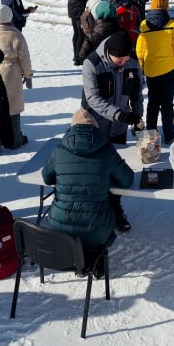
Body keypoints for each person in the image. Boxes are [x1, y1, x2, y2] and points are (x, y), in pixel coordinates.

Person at [41, 108, 135, 265]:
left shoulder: (59, 150)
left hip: (59, 229)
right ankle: (95, 258)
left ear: (72, 129)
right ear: (95, 129)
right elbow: (127, 180)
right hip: (97, 229)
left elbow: (46, 178)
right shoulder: (106, 150)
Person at [81, 29, 143, 232]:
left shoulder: (131, 62)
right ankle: (94, 210)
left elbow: (137, 93)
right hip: (94, 125)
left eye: (126, 58)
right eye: (119, 59)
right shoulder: (92, 63)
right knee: (94, 170)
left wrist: (137, 117)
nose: (123, 62)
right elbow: (92, 99)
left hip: (118, 127)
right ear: (110, 53)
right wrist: (120, 114)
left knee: (115, 170)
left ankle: (115, 208)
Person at [136, 0, 174, 144]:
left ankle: (151, 134)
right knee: (167, 104)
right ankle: (169, 135)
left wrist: (141, 68)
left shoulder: (144, 25)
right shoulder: (172, 25)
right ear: (165, 6)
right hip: (170, 70)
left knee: (152, 103)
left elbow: (140, 50)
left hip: (151, 70)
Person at [0, 5, 34, 149]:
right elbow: (24, 57)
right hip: (12, 74)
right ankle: (15, 139)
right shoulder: (16, 34)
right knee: (12, 109)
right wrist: (28, 75)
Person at [67, 0, 92, 65]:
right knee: (81, 34)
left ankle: (75, 55)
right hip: (80, 10)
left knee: (76, 33)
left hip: (71, 9)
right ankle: (78, 58)